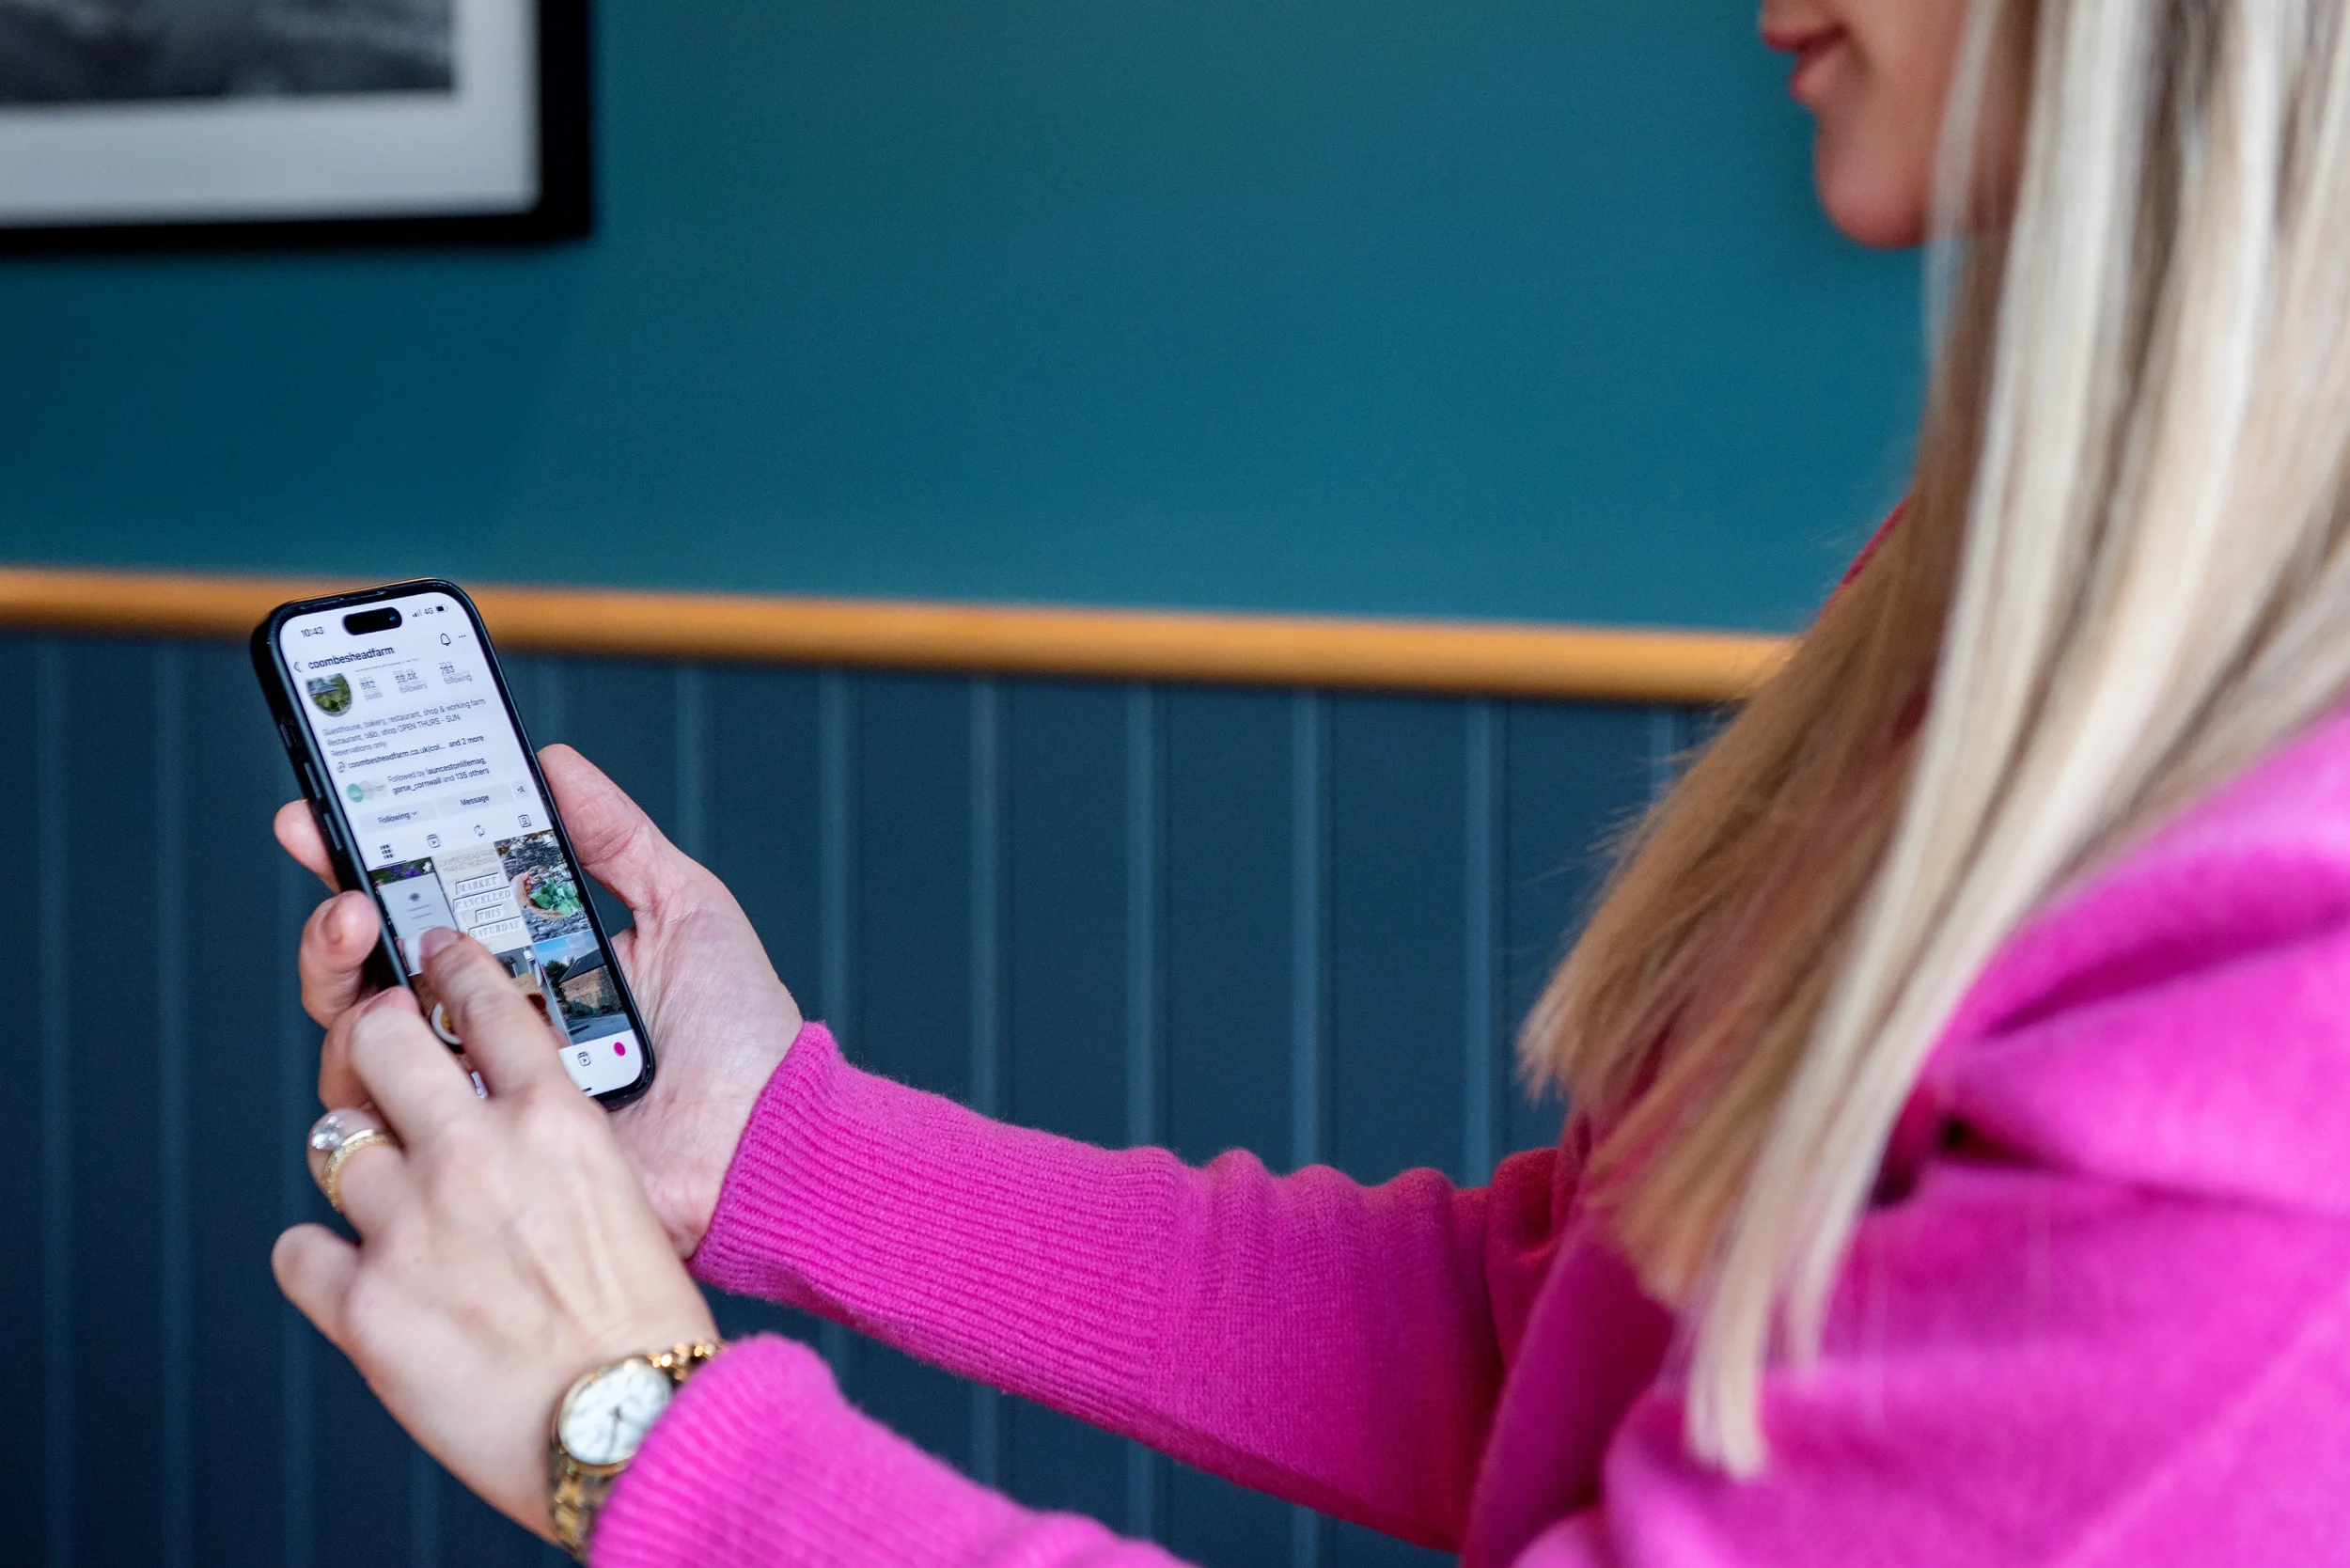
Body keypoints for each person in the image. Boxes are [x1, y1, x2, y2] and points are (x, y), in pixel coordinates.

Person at [271, 0, 2350, 1561]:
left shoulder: (2289, 959)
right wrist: (758, 1147)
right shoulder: (2012, 612)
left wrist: (638, 1436)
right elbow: (1534, 1352)